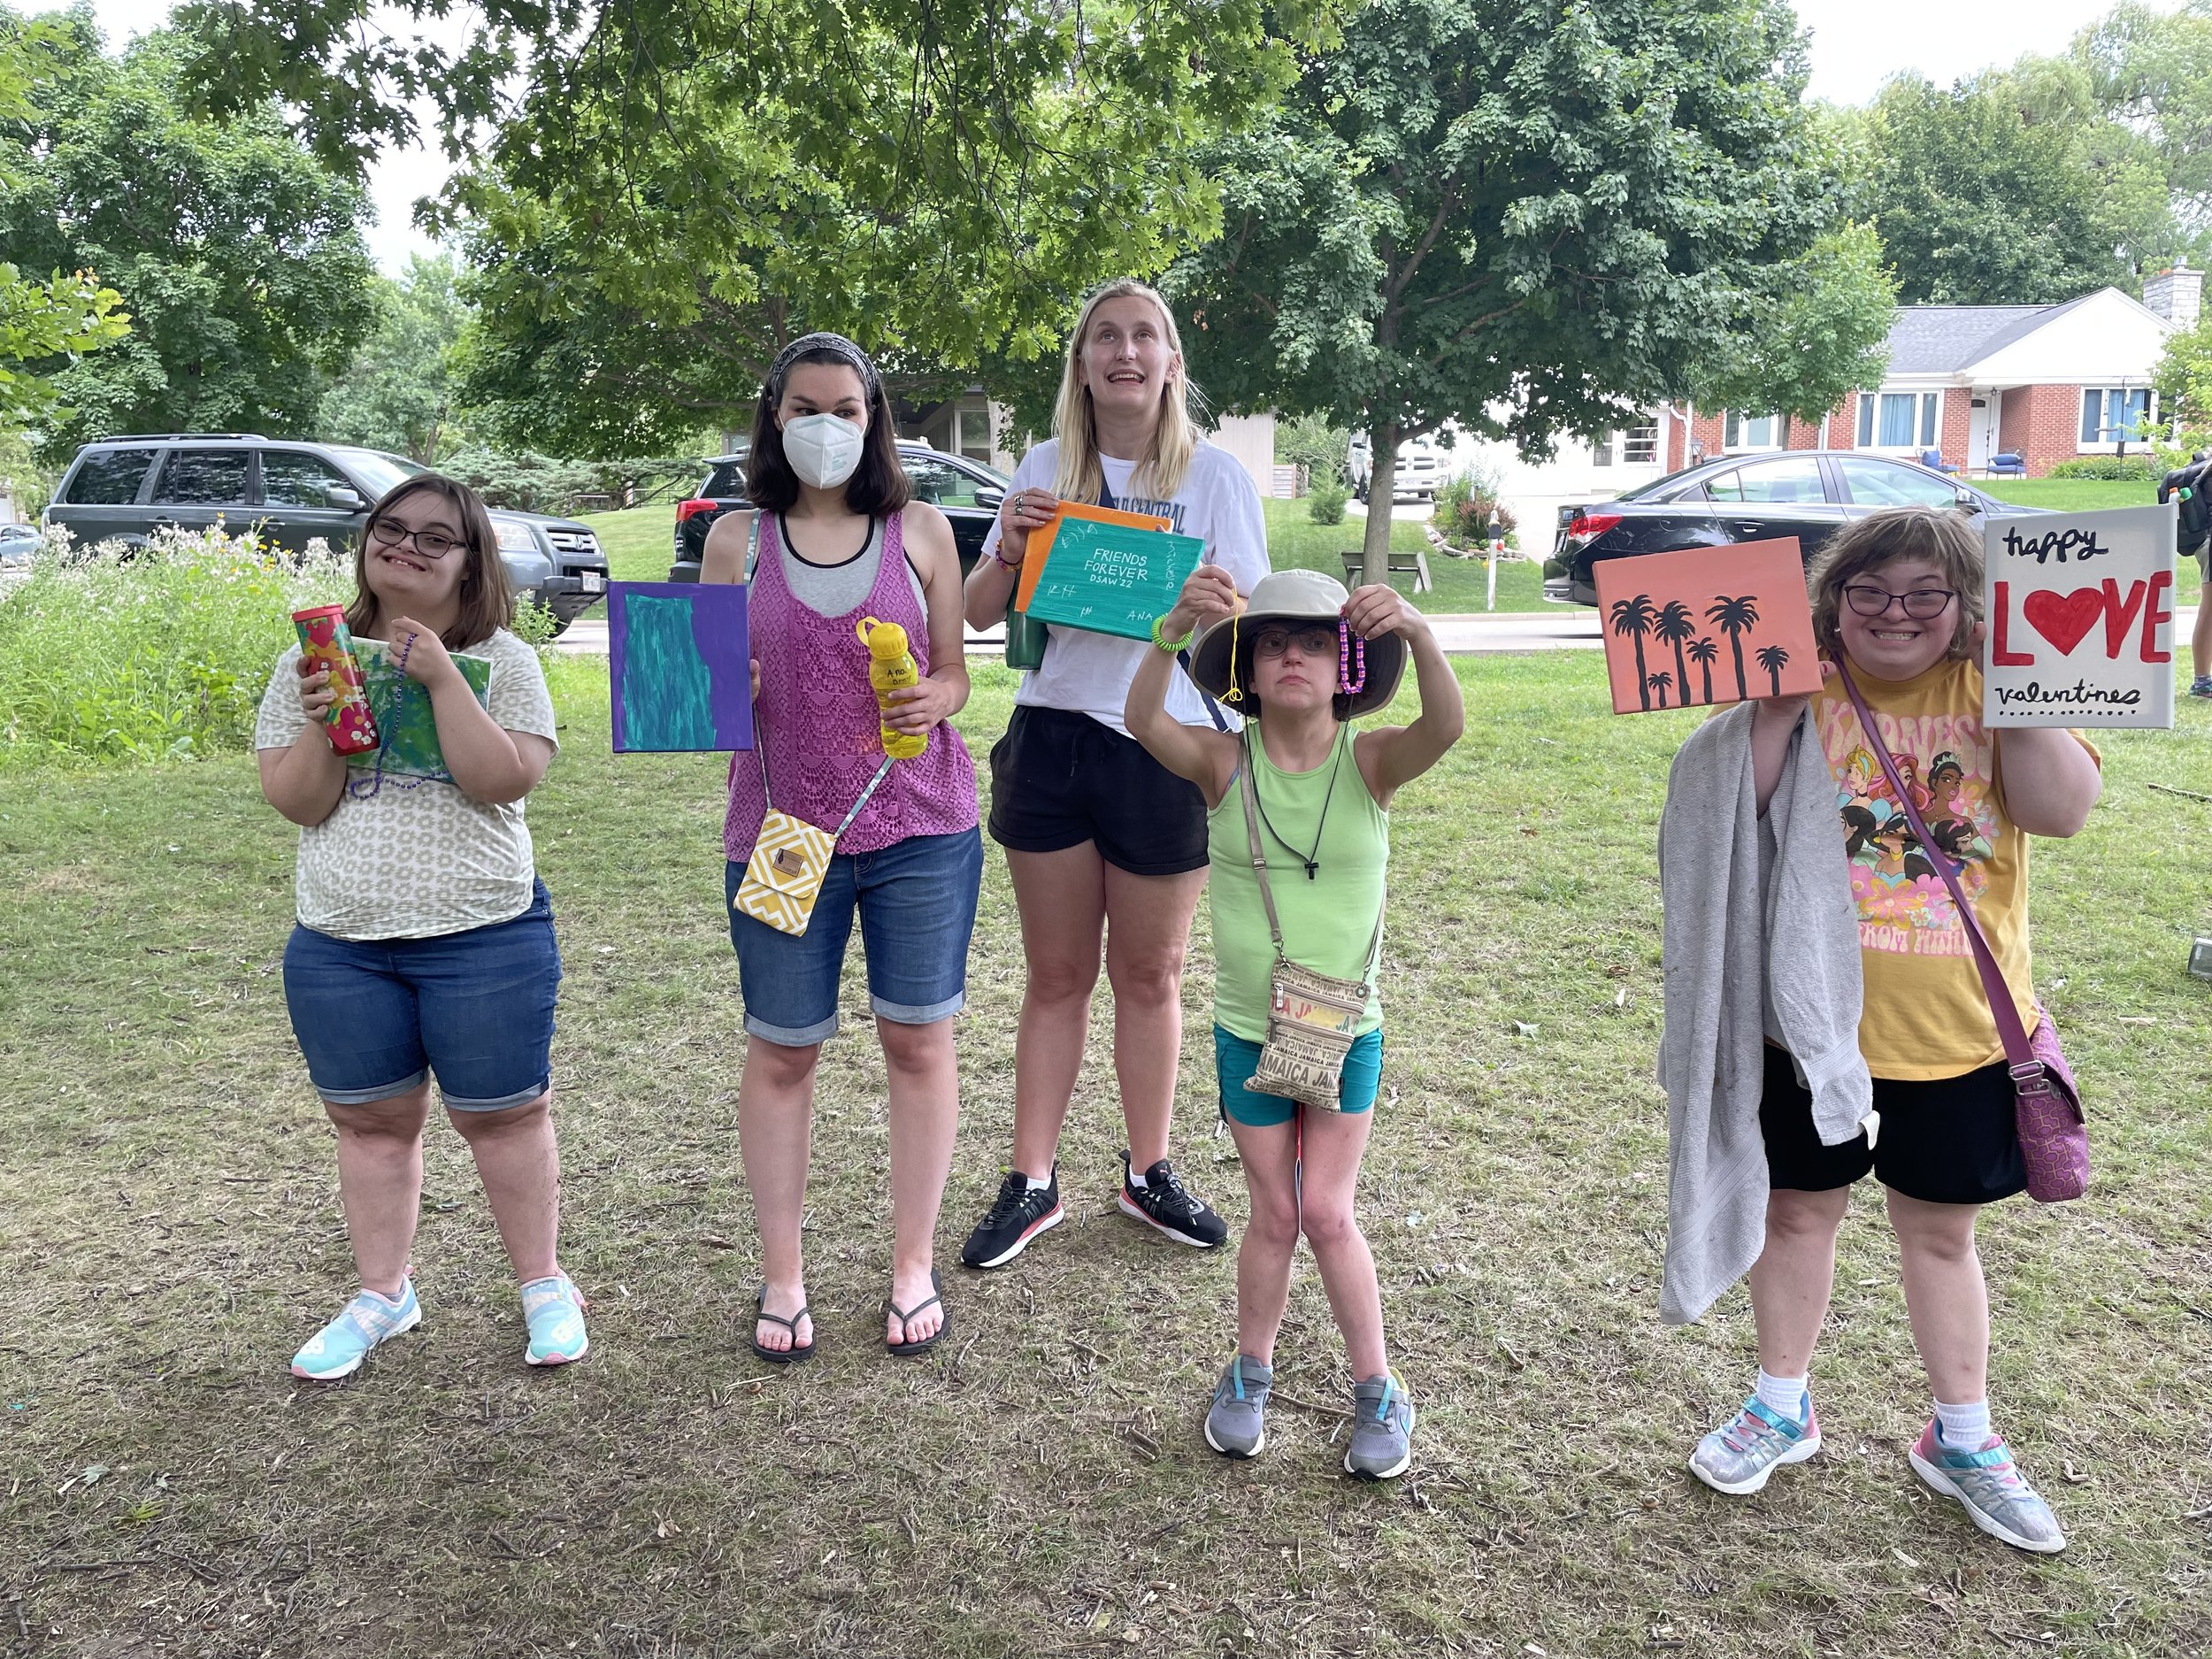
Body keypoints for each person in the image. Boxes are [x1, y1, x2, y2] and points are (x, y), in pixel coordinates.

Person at [1663, 505, 2101, 1553]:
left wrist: (2021, 682)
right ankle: (1780, 1405)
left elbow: (2060, 811)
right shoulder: (1798, 689)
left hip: (1958, 1034)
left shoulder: (1999, 690)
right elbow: (1722, 814)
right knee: (1796, 1216)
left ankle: (1963, 1437)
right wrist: (1773, 712)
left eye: (1923, 594)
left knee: (1939, 1234)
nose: (1894, 612)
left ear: (1965, 605)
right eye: (1868, 591)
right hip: (1806, 1031)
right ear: (1832, 602)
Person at [956, 279, 1269, 1267]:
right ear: (1082, 363)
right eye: (1105, 337)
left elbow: (1251, 635)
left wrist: (1215, 607)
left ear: (1171, 363)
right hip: (1052, 738)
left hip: (1164, 745)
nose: (1125, 352)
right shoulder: (1043, 467)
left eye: (1144, 336)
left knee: (1151, 974)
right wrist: (1009, 545)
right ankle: (1031, 1180)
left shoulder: (1215, 478)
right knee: (1056, 976)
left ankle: (1148, 1171)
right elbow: (976, 611)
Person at [1125, 567, 1463, 1479]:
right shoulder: (1223, 763)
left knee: (1325, 1211)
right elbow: (1143, 720)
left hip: (1344, 1032)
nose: (1291, 657)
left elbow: (1445, 726)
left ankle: (1378, 1387)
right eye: (1271, 642)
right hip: (1249, 1029)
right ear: (1246, 668)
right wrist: (1169, 631)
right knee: (1273, 1213)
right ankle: (1249, 1374)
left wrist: (1421, 633)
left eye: (1313, 642)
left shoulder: (1371, 762)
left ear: (1345, 665)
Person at [255, 473, 583, 1379]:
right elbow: (297, 802)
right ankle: (383, 1294)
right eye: (391, 529)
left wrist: (441, 677)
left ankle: (543, 1284)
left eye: (436, 538)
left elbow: (503, 778)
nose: (405, 546)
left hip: (482, 930)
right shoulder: (307, 662)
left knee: (504, 1117)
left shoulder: (505, 660)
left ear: (471, 561)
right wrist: (325, 720)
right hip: (342, 940)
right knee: (369, 1123)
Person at [703, 332, 981, 1362]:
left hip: (921, 828)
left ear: (874, 420)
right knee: (783, 1051)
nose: (826, 426)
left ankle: (913, 1264)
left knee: (918, 1042)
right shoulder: (736, 540)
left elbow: (955, 675)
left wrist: (936, 695)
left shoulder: (923, 531)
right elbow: (695, 703)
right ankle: (783, 1276)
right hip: (781, 830)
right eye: (806, 408)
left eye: (847, 409)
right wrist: (725, 694)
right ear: (775, 417)